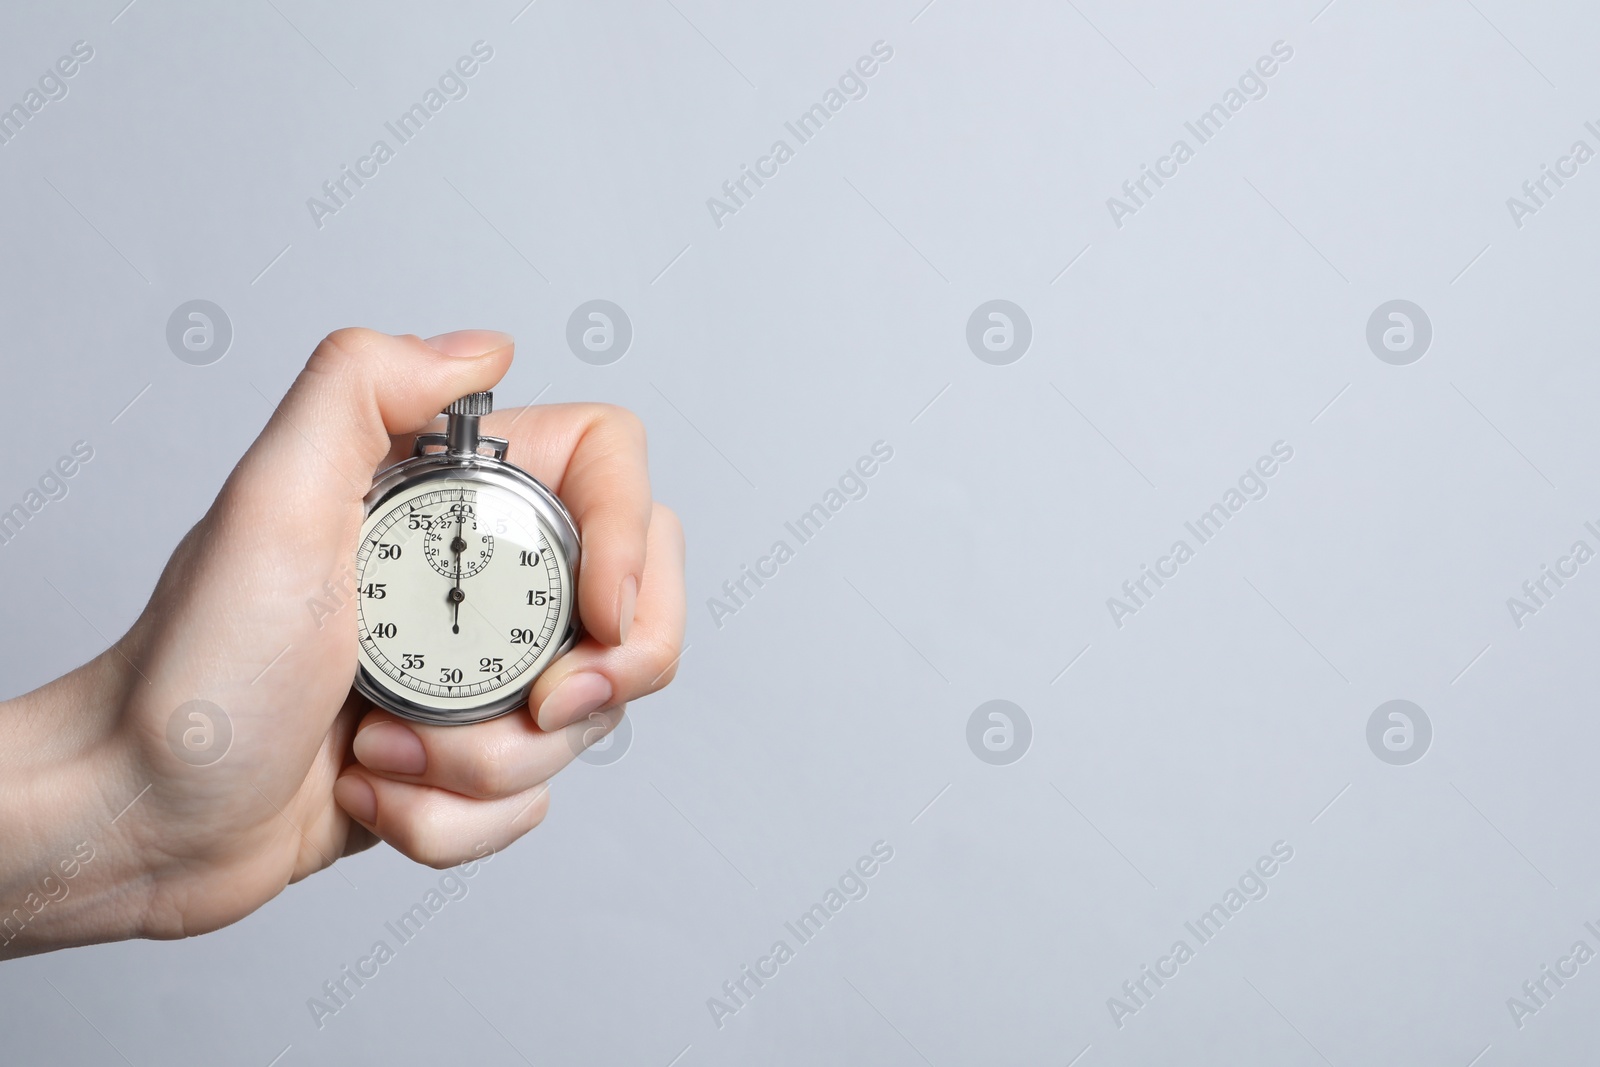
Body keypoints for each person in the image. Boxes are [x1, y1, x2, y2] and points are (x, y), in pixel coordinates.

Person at [0, 329, 686, 958]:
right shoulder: (370, 506)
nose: (457, 594)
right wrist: (135, 796)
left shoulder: (529, 531)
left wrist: (141, 811)